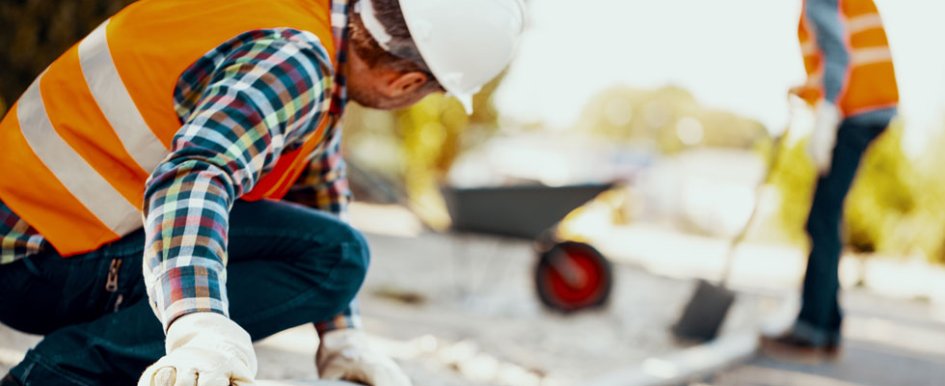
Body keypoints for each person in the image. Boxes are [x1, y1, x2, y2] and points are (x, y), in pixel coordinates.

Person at [0, 0, 525, 385]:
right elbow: (195, 175)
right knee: (339, 257)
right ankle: (58, 377)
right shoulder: (297, 62)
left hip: (32, 235)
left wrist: (342, 333)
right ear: (407, 83)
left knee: (334, 248)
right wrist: (197, 323)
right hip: (36, 262)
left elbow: (321, 194)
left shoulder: (302, 25)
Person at [761, 0, 899, 361]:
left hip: (857, 112)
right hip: (870, 107)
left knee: (821, 218)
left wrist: (826, 112)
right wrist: (808, 90)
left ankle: (812, 330)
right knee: (827, 215)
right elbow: (839, 61)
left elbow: (838, 55)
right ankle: (828, 327)